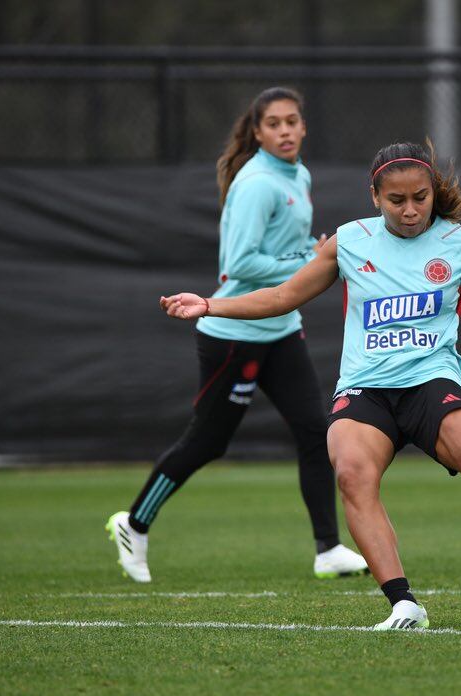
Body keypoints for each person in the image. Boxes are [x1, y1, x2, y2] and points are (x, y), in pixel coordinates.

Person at [158, 141, 461, 629]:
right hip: (365, 389)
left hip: (430, 380)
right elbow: (284, 296)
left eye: (420, 197)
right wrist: (210, 304)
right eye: (397, 200)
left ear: (433, 193)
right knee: (350, 471)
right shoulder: (349, 241)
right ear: (375, 196)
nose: (410, 210)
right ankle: (404, 605)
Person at [106, 87, 367, 583]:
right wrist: (308, 262)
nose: (286, 131)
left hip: (282, 329)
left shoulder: (299, 174)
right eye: (274, 124)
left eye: (293, 121)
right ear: (257, 132)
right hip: (234, 332)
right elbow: (239, 264)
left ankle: (328, 548)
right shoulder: (258, 184)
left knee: (316, 431)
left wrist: (304, 252)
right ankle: (134, 523)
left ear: (304, 127)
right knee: (208, 442)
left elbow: (281, 250)